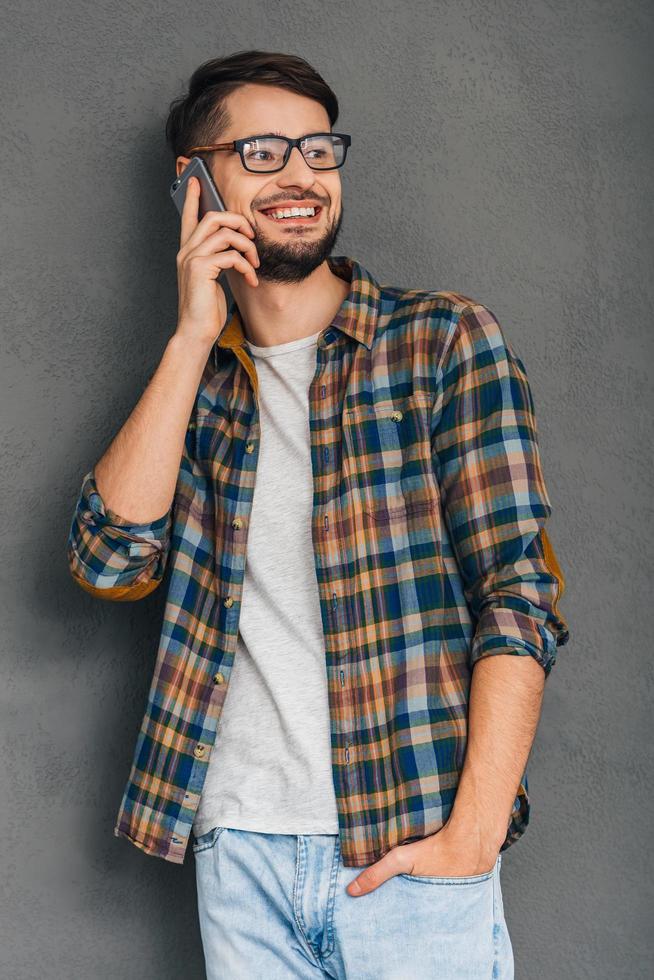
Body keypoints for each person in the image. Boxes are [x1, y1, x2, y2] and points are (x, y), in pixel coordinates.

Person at [67, 49, 570, 980]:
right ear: (194, 184)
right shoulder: (198, 389)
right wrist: (189, 334)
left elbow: (519, 590)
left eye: (317, 150)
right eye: (260, 152)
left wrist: (474, 834)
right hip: (239, 855)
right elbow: (108, 560)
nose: (301, 174)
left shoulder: (442, 340)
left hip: (411, 848)